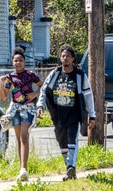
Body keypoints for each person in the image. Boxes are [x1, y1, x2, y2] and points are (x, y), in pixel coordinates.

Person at [37, 44, 96, 181]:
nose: (65, 59)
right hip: (58, 114)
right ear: (60, 58)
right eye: (63, 56)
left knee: (72, 140)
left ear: (73, 59)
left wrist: (92, 115)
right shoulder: (55, 74)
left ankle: (72, 166)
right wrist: (40, 105)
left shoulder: (80, 76)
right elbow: (44, 90)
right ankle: (68, 169)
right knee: (62, 142)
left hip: (74, 113)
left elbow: (88, 95)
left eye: (68, 56)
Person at [0, 47, 43, 182]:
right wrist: (2, 83)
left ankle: (24, 168)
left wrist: (34, 94)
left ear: (24, 62)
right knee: (18, 139)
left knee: (24, 136)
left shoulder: (31, 75)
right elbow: (3, 97)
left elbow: (44, 86)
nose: (18, 63)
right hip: (15, 110)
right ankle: (22, 169)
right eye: (16, 61)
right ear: (12, 62)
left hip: (28, 108)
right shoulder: (9, 78)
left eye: (21, 61)